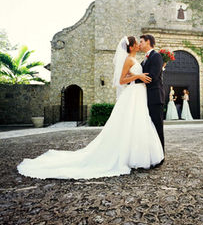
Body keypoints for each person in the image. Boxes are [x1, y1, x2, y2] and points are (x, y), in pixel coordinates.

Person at [17, 36, 164, 179]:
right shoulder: (128, 59)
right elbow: (121, 80)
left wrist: (140, 75)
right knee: (130, 122)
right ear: (131, 46)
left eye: (141, 42)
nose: (139, 45)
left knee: (138, 123)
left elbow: (145, 74)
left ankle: (138, 155)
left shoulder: (139, 59)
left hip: (139, 95)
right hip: (133, 94)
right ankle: (128, 156)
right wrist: (137, 77)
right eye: (137, 43)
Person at [136, 35, 165, 159]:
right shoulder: (144, 60)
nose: (139, 44)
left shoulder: (157, 56)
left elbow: (151, 77)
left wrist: (133, 79)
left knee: (157, 126)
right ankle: (151, 154)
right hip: (146, 98)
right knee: (149, 127)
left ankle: (160, 155)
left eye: (141, 42)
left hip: (155, 97)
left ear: (148, 42)